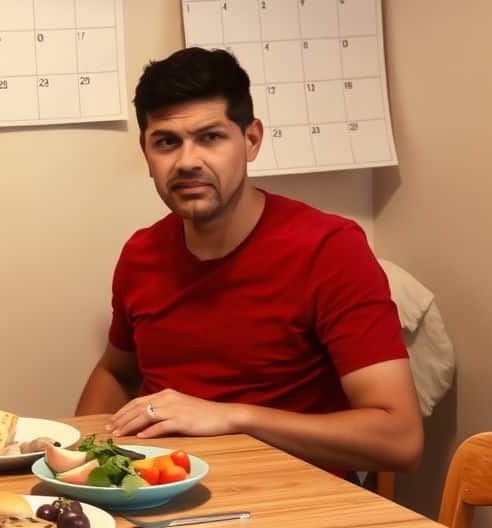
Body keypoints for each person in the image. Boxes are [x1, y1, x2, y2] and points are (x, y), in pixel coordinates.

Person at [75, 47, 422, 475]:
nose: (188, 161)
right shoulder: (141, 254)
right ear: (145, 153)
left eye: (210, 137)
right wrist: (82, 459)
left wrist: (234, 418)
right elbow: (117, 371)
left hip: (294, 503)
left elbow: (400, 438)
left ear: (251, 140)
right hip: (159, 490)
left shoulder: (330, 249)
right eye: (167, 142)